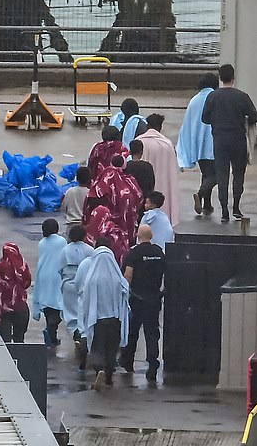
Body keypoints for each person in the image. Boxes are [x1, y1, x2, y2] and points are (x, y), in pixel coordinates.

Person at [202, 63, 257, 222]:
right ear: (233, 77)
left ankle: (224, 210)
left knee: (222, 175)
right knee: (238, 174)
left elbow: (204, 118)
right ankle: (236, 207)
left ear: (220, 78)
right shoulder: (241, 96)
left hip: (219, 140)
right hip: (238, 140)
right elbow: (254, 116)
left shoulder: (212, 96)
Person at [74, 237, 129, 390]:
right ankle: (109, 376)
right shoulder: (117, 278)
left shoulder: (92, 278)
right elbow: (125, 293)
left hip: (97, 320)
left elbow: (85, 299)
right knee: (112, 348)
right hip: (114, 319)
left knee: (98, 347)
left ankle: (99, 370)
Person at [119, 225, 166, 382]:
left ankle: (128, 361)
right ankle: (153, 364)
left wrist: (126, 292)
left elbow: (128, 274)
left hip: (137, 298)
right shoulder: (159, 252)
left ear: (138, 235)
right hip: (153, 299)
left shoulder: (134, 253)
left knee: (132, 331)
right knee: (152, 333)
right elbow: (166, 273)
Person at [177, 73, 219, 214]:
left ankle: (207, 204)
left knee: (206, 174)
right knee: (217, 175)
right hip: (214, 143)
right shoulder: (215, 97)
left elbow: (188, 124)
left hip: (199, 145)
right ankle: (201, 194)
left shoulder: (194, 100)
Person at [83, 155, 143, 246]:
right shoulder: (130, 182)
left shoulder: (104, 177)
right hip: (125, 221)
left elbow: (93, 196)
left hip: (106, 224)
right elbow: (139, 198)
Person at [57, 224, 94, 371]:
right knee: (83, 312)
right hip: (84, 285)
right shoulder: (90, 250)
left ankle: (76, 336)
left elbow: (59, 269)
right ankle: (83, 335)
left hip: (68, 285)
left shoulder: (65, 250)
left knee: (70, 313)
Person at [135, 114, 180, 225]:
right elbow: (172, 173)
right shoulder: (167, 144)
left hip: (142, 190)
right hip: (162, 187)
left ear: (147, 125)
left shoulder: (139, 142)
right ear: (160, 127)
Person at [0, 243, 32, 343]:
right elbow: (27, 282)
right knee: (19, 339)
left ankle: (8, 357)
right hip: (20, 307)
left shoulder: (0, 268)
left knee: (6, 342)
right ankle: (20, 356)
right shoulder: (22, 266)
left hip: (4, 310)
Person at [32, 218, 67, 346]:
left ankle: (52, 337)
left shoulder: (42, 243)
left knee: (47, 306)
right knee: (58, 306)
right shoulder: (62, 241)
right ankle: (50, 330)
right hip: (56, 276)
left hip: (43, 275)